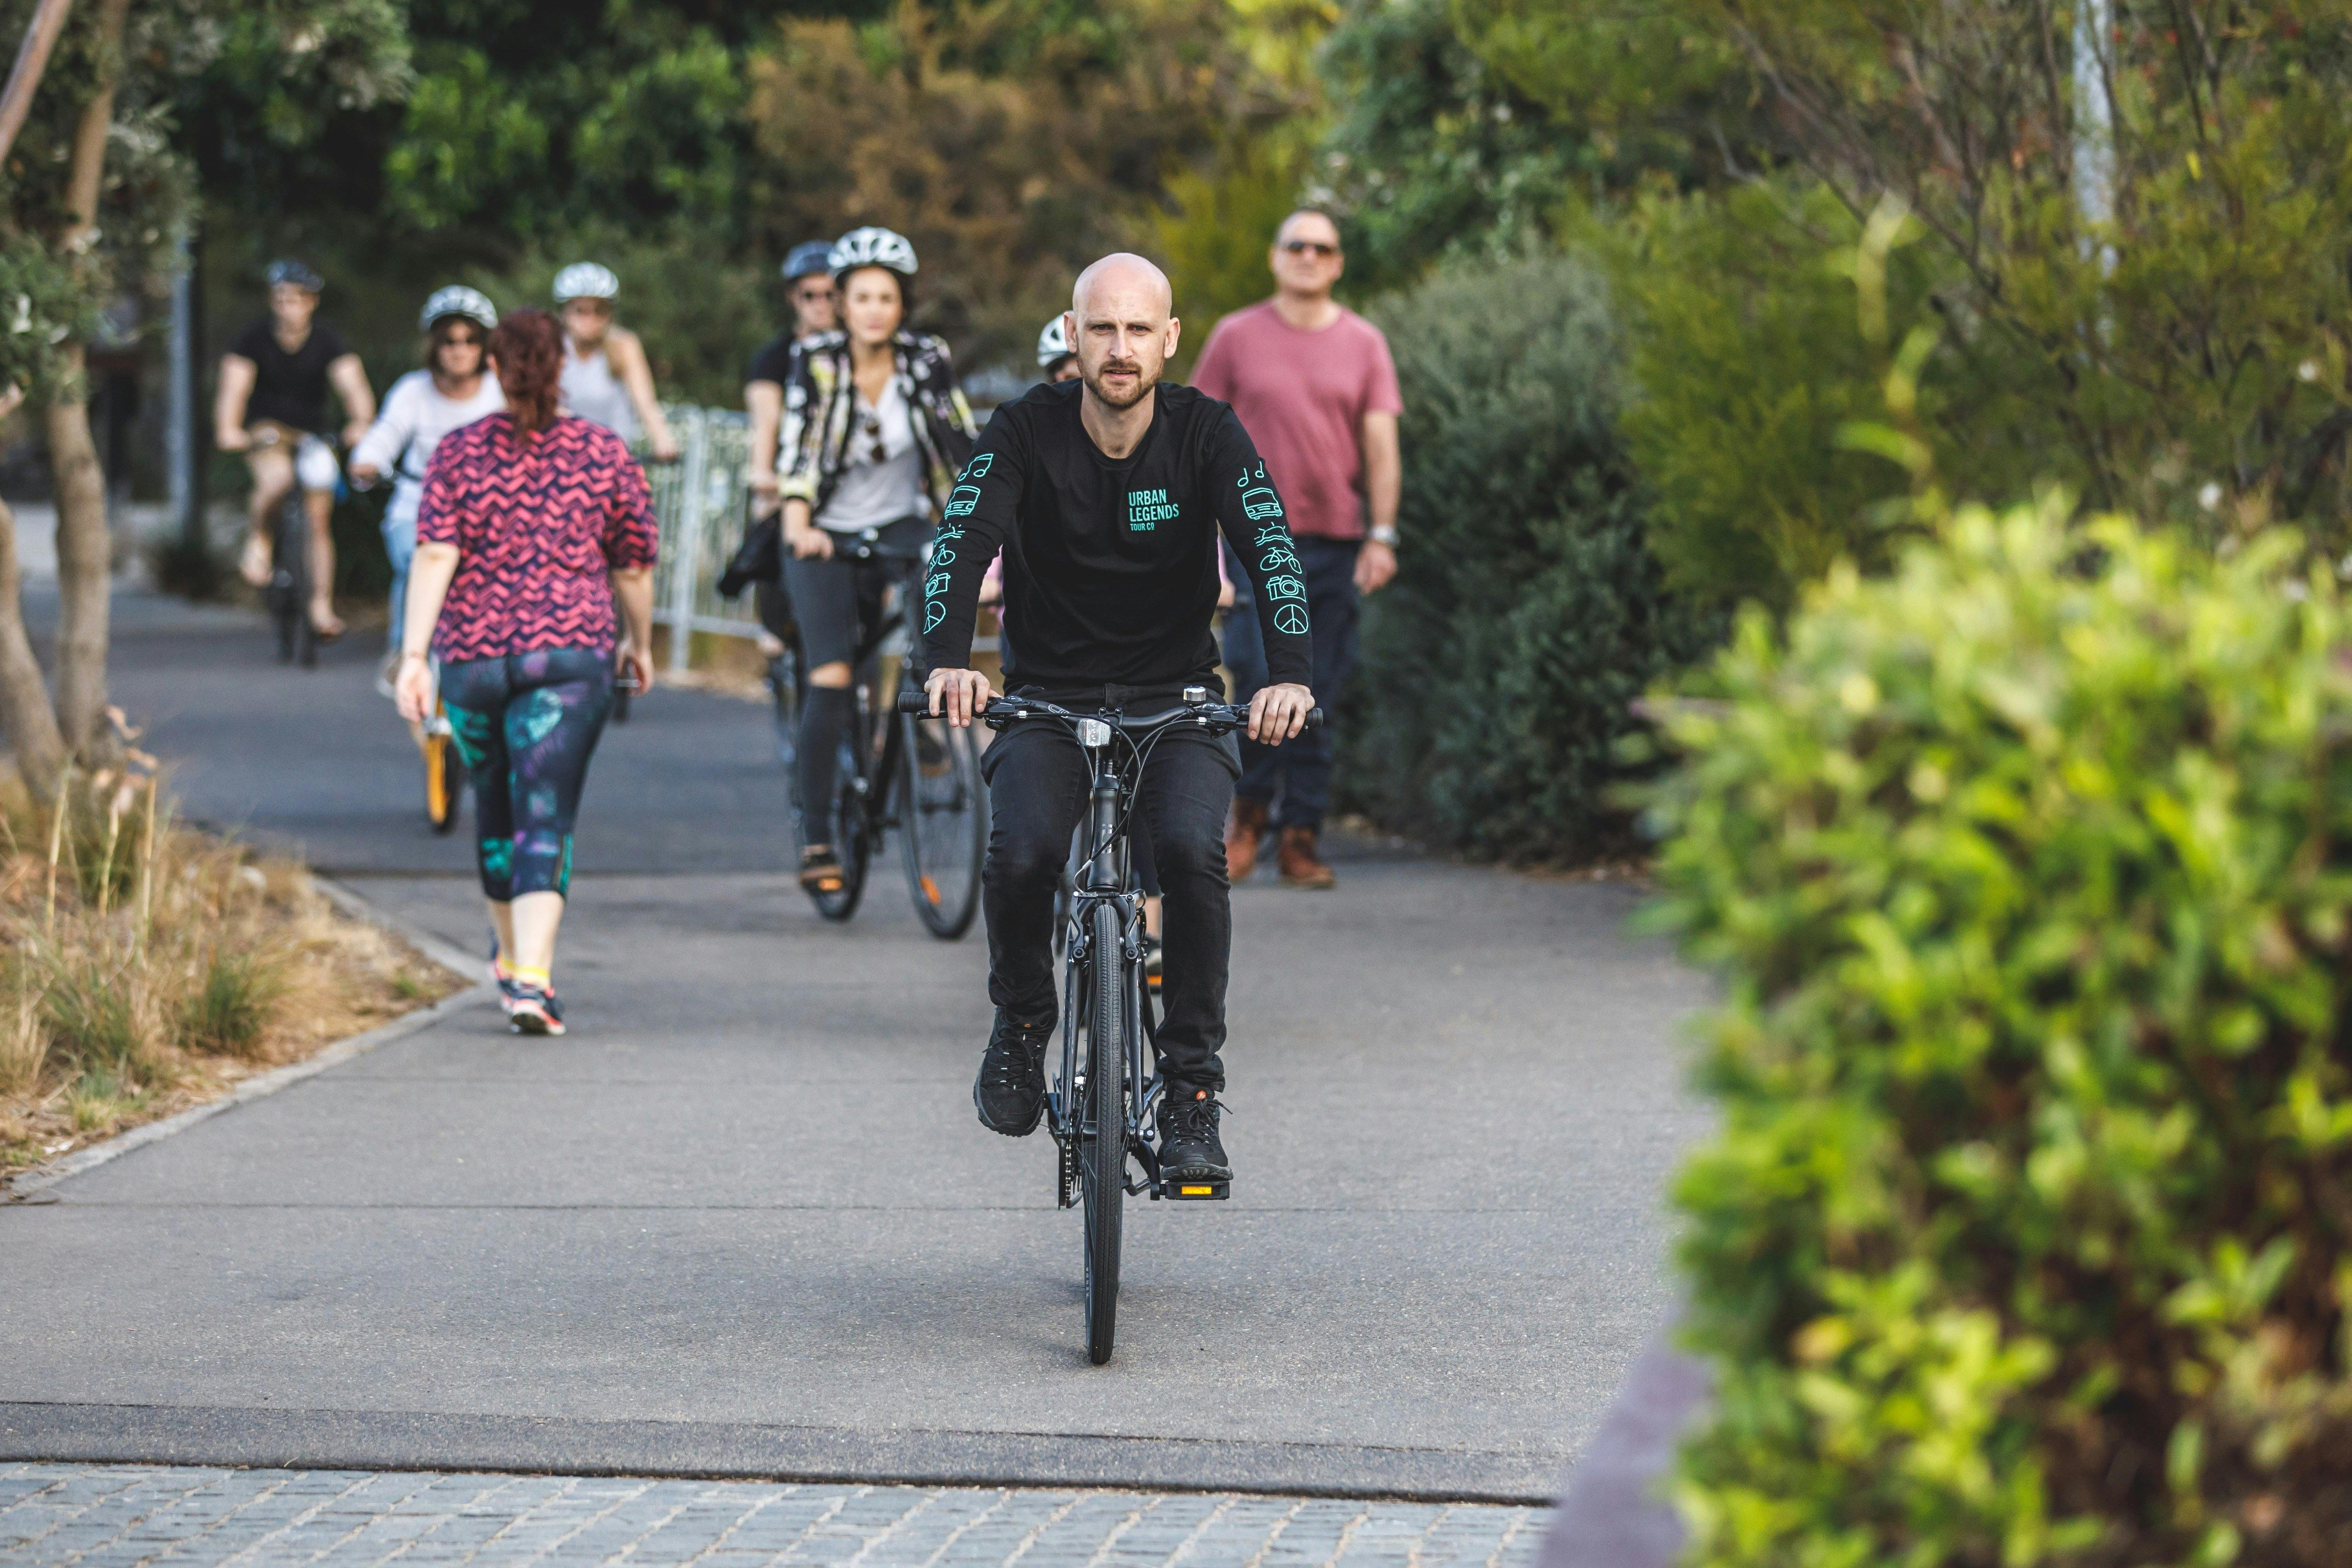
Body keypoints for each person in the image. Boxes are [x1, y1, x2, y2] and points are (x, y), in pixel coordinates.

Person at [921, 253, 1317, 1188]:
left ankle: (1192, 1090)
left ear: (1170, 340)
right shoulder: (1024, 430)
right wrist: (943, 662)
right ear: (1074, 333)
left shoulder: (1207, 434)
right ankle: (1022, 1021)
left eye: (1140, 330)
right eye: (1103, 328)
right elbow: (959, 541)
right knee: (1020, 856)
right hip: (1045, 698)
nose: (1121, 348)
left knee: (1188, 855)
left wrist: (1288, 676)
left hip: (1174, 700)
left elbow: (1271, 548)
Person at [392, 309, 659, 1037]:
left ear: (494, 370)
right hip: (570, 657)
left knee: (496, 807)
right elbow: (633, 561)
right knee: (547, 810)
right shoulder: (602, 452)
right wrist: (640, 642)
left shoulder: (457, 451)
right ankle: (533, 981)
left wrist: (416, 656)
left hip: (474, 658)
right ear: (561, 369)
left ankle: (511, 962)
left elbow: (435, 555)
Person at [1190, 208, 1402, 890]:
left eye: (1324, 247)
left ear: (1339, 263)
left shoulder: (1365, 343)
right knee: (1256, 682)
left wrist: (1383, 535)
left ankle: (1302, 837)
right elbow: (1192, 440)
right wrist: (1202, 550)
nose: (1310, 256)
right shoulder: (1235, 337)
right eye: (1297, 245)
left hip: (1336, 543)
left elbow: (1380, 446)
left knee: (1317, 697)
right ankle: (1247, 820)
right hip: (1251, 543)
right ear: (1275, 257)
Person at [775, 226, 977, 894]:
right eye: (860, 296)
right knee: (831, 673)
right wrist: (799, 520)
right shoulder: (818, 360)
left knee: (936, 633)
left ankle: (919, 719)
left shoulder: (926, 359)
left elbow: (957, 442)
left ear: (902, 304)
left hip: (901, 525)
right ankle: (818, 836)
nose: (873, 310)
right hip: (826, 533)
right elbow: (800, 446)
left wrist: (977, 518)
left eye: (886, 298)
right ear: (840, 300)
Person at [349, 286, 505, 692]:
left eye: (471, 341)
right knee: (413, 562)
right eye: (449, 341)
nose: (459, 351)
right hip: (415, 505)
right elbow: (387, 432)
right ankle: (405, 653)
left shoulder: (501, 391)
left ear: (485, 347)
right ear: (434, 347)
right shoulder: (412, 390)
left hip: (488, 513)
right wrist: (368, 459)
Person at [215, 259, 377, 640]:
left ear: (311, 302)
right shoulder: (252, 339)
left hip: (311, 435)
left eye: (297, 299)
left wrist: (360, 423)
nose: (289, 306)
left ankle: (321, 605)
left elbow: (355, 389)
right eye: (282, 299)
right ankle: (260, 538)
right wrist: (229, 430)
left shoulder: (327, 340)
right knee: (278, 480)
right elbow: (233, 391)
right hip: (267, 432)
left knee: (319, 517)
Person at [744, 242, 841, 658]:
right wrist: (764, 474)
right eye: (810, 295)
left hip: (843, 482)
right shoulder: (774, 359)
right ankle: (773, 623)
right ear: (793, 298)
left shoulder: (858, 352)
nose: (821, 305)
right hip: (793, 474)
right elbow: (766, 424)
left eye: (830, 294)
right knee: (769, 514)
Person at [551, 263, 680, 462]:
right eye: (581, 311)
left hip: (611, 460)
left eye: (599, 311)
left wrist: (662, 439)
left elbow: (645, 401)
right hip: (563, 460)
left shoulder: (622, 346)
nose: (590, 319)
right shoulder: (553, 348)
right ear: (565, 312)